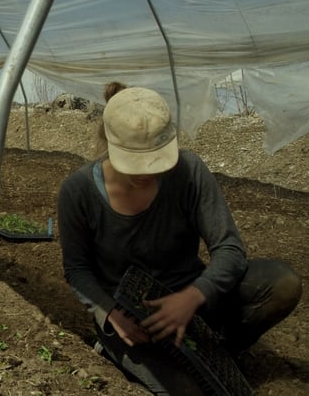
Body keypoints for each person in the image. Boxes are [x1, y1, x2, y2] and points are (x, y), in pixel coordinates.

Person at [57, 86, 302, 394]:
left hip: (192, 299)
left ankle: (222, 351)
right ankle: (124, 353)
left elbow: (229, 248)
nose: (148, 172)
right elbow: (77, 269)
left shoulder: (188, 171)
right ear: (110, 143)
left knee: (282, 284)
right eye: (136, 162)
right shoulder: (78, 191)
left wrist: (194, 295)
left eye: (156, 160)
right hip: (133, 318)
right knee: (189, 391)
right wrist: (110, 313)